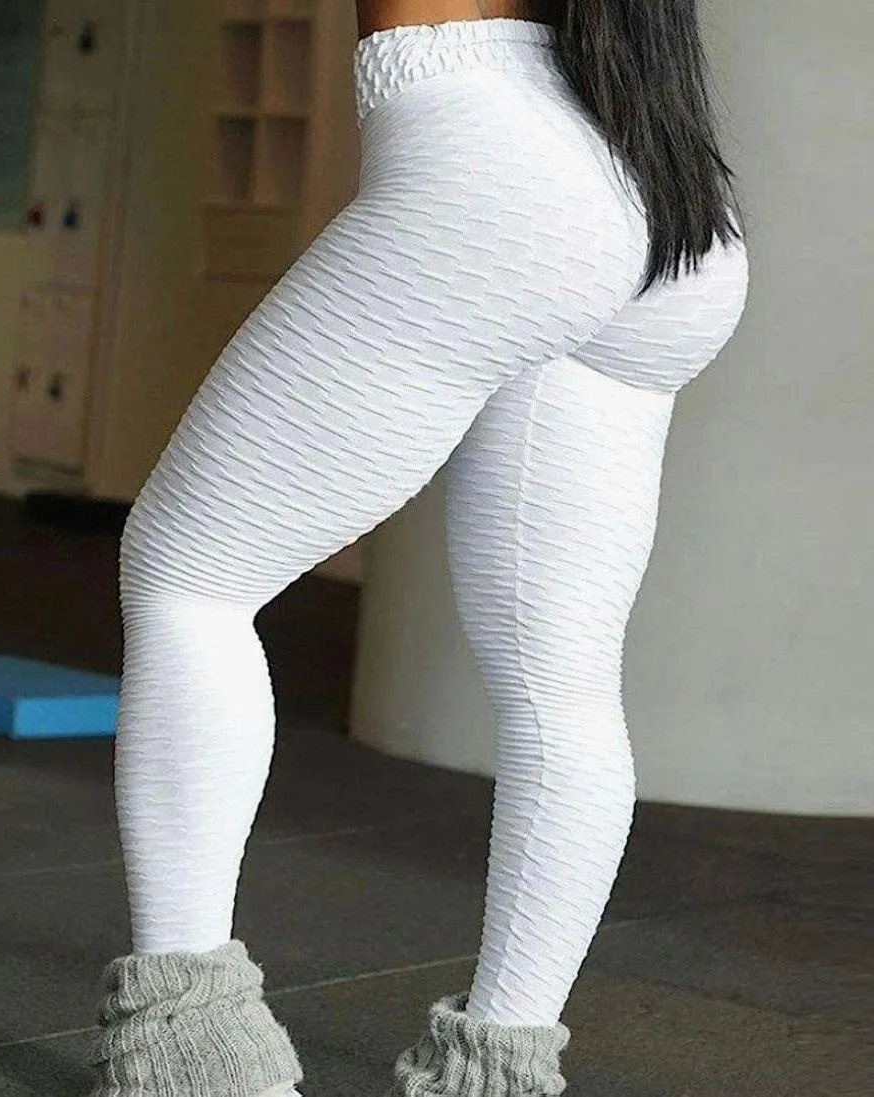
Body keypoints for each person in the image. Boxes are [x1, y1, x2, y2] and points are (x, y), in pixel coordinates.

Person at [85, 2, 749, 1095]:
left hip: (495, 175)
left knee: (185, 579)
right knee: (560, 685)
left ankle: (191, 1056)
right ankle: (497, 1068)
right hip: (660, 190)